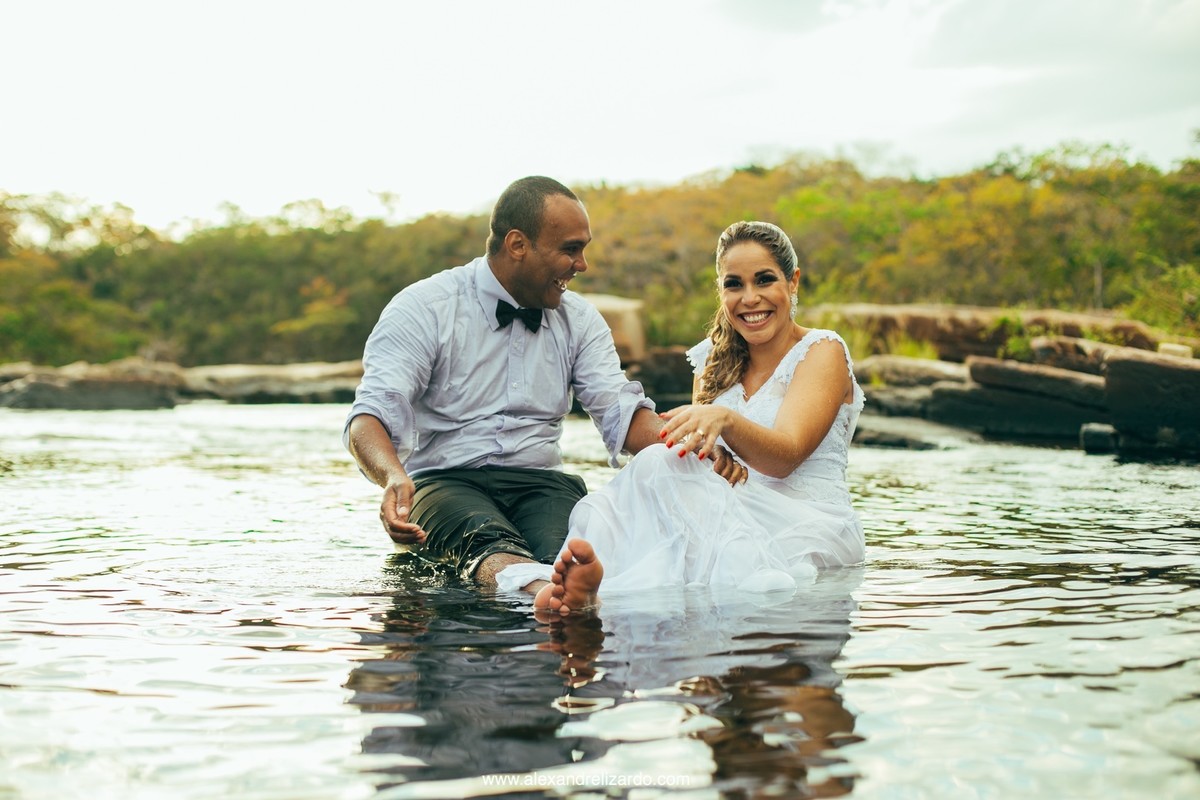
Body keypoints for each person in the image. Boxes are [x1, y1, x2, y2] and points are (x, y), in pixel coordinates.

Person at [343, 176, 745, 612]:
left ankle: (566, 592)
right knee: (483, 539)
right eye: (571, 249)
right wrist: (393, 477)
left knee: (571, 553)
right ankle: (542, 595)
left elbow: (622, 416)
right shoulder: (422, 308)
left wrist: (700, 445)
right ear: (518, 245)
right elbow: (370, 416)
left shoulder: (581, 320)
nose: (582, 264)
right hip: (444, 481)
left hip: (543, 484)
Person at [542, 220, 865, 614]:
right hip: (730, 511)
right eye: (734, 284)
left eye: (764, 280)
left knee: (663, 475)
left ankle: (607, 588)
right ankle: (592, 589)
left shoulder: (822, 351)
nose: (750, 298)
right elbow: (701, 459)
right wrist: (707, 456)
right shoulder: (712, 359)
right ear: (720, 290)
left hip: (810, 526)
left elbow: (786, 457)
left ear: (793, 281)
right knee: (661, 462)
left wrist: (724, 421)